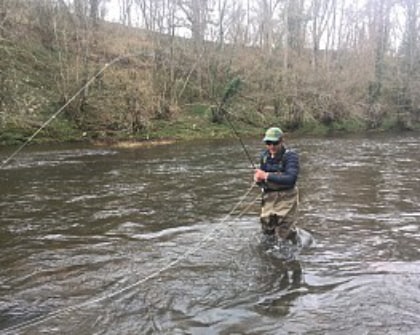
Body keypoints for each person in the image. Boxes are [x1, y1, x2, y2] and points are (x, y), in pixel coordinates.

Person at [253, 127, 300, 244]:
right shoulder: (264, 156)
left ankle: (289, 252)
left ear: (282, 141)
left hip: (287, 196)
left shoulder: (291, 156)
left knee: (285, 231)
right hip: (269, 196)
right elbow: (262, 179)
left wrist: (266, 176)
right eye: (268, 143)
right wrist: (258, 180)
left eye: (275, 143)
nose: (271, 146)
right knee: (267, 229)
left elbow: (291, 179)